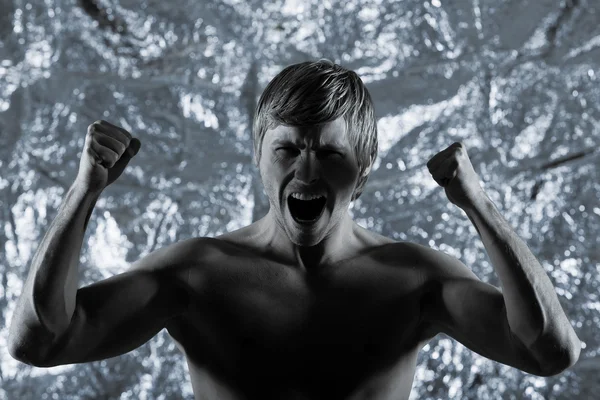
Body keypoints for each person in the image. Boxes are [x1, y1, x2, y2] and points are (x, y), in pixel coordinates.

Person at [8, 60, 581, 400]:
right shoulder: (196, 277)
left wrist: (479, 205)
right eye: (287, 149)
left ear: (361, 172)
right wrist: (83, 192)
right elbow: (41, 340)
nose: (306, 171)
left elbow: (549, 351)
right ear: (259, 159)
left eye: (330, 154)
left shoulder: (413, 283)